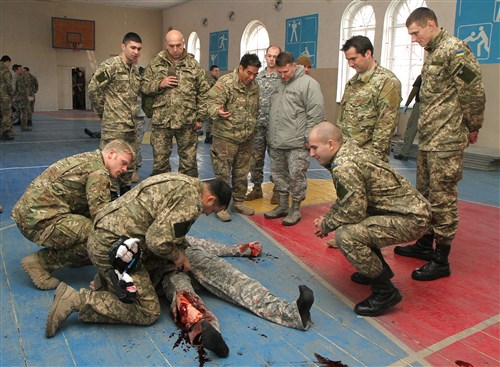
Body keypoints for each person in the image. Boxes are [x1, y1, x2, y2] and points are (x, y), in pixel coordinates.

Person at [44, 174, 231, 346]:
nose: (208, 214)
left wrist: (179, 248)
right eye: (212, 210)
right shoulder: (191, 203)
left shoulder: (183, 181)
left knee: (159, 260)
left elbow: (168, 227)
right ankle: (76, 300)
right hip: (113, 251)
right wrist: (178, 255)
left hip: (105, 237)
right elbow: (156, 241)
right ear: (211, 199)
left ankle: (106, 280)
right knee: (147, 311)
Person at [394, 7, 486, 281]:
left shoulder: (455, 50)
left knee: (442, 198)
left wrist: (473, 125)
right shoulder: (432, 51)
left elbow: (474, 91)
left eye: (415, 32)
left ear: (431, 24)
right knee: (424, 194)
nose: (413, 39)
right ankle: (424, 244)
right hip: (429, 138)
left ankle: (441, 258)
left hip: (446, 140)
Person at [309, 121, 431, 316]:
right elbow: (348, 199)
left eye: (314, 148)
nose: (312, 154)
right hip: (407, 211)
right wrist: (329, 217)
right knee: (358, 223)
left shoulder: (344, 166)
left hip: (411, 218)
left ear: (330, 144)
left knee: (346, 235)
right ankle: (377, 269)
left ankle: (385, 292)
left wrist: (326, 224)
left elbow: (353, 211)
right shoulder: (348, 150)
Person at [156, 235, 314, 357]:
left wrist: (240, 249)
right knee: (183, 294)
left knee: (235, 279)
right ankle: (209, 333)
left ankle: (294, 312)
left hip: (190, 257)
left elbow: (201, 243)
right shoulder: (141, 239)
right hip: (165, 272)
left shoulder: (171, 228)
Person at [12, 140, 135, 290]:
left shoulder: (89, 159)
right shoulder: (99, 173)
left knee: (91, 226)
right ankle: (40, 262)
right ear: (111, 154)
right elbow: (102, 218)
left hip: (29, 214)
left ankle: (77, 256)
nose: (125, 169)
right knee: (99, 235)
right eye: (123, 163)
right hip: (38, 221)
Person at [264, 51, 324, 226]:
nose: (282, 76)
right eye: (279, 72)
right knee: (278, 175)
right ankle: (282, 205)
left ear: (294, 66)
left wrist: (309, 138)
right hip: (276, 141)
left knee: (296, 176)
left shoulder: (308, 84)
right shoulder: (278, 83)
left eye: (285, 72)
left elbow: (316, 113)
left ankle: (295, 208)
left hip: (297, 142)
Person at [141, 29, 211, 178]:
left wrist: (200, 118)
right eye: (171, 46)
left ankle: (187, 198)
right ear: (166, 44)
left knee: (189, 164)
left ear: (184, 43)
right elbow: (143, 87)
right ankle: (164, 197)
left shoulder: (193, 65)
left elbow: (204, 92)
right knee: (160, 164)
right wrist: (159, 84)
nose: (175, 50)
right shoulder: (155, 63)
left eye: (178, 45)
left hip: (188, 121)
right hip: (162, 122)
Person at [204, 53, 261, 222]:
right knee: (222, 175)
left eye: (255, 74)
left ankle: (238, 202)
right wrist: (218, 111)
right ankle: (220, 206)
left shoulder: (254, 86)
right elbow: (210, 103)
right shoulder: (226, 83)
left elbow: (254, 109)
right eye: (249, 73)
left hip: (246, 138)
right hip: (226, 138)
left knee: (242, 173)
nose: (251, 77)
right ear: (241, 68)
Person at [88, 32, 142, 198]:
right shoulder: (110, 66)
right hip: (114, 127)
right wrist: (103, 112)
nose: (135, 52)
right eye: (132, 47)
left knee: (128, 164)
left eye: (139, 49)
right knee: (110, 165)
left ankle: (125, 197)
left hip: (131, 127)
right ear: (123, 46)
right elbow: (93, 89)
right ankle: (109, 200)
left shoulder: (135, 71)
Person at [337, 36, 402, 163]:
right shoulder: (353, 83)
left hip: (367, 157)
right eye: (348, 60)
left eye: (353, 59)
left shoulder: (387, 82)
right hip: (346, 153)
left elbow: (386, 124)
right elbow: (343, 118)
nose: (350, 64)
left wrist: (375, 160)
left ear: (368, 53)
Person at [245, 45, 281, 204]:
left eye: (275, 56)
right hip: (258, 125)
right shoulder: (257, 78)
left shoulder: (283, 78)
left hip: (276, 126)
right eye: (269, 56)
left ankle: (278, 190)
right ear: (265, 57)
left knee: (277, 160)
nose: (272, 59)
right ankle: (257, 188)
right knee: (256, 159)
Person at [395, 75, 422, 161]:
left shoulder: (422, 76)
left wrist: (406, 104)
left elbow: (414, 91)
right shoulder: (443, 77)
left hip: (420, 105)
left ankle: (404, 153)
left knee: (411, 129)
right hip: (435, 107)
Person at [132, 66, 147, 183]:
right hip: (121, 115)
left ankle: (135, 169)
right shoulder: (117, 70)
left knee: (137, 145)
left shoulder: (143, 72)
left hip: (138, 116)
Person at [203, 64, 220, 144]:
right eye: (215, 71)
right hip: (209, 104)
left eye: (218, 71)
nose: (217, 72)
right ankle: (208, 137)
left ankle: (211, 137)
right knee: (210, 121)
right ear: (211, 72)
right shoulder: (209, 81)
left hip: (214, 104)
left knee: (212, 122)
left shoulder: (217, 81)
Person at [12, 64, 31, 132]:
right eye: (20, 69)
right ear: (16, 70)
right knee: (23, 112)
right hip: (22, 98)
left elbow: (13, 89)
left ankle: (7, 124)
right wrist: (27, 96)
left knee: (18, 112)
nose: (22, 70)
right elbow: (21, 89)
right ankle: (24, 127)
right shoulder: (19, 77)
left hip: (16, 98)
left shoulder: (14, 77)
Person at [0, 55, 14, 140]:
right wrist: (11, 95)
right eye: (9, 63)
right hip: (3, 96)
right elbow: (9, 85)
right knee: (6, 114)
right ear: (7, 61)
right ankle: (5, 134)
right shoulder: (6, 71)